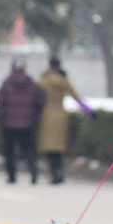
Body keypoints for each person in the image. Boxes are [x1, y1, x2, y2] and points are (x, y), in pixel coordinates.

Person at [37, 56, 95, 184]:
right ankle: (60, 172)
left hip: (46, 115)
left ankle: (54, 173)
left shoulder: (44, 80)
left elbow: (34, 95)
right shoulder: (64, 80)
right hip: (61, 115)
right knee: (58, 146)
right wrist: (89, 111)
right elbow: (76, 96)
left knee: (49, 147)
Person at [0, 59, 45, 184]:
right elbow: (39, 102)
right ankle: (33, 171)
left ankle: (12, 176)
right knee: (29, 149)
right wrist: (35, 117)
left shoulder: (7, 83)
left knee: (9, 151)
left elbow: (0, 103)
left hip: (9, 123)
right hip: (27, 124)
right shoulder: (31, 83)